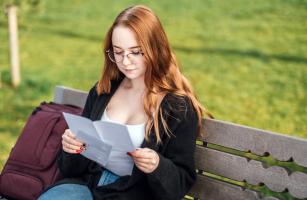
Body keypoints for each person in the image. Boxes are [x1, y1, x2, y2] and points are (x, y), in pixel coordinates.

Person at [38, 4, 212, 200]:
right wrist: (73, 148)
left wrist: (157, 165)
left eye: (135, 52)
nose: (125, 61)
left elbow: (179, 185)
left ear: (155, 48)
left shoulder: (178, 108)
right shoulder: (103, 91)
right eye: (118, 52)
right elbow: (70, 169)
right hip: (85, 187)